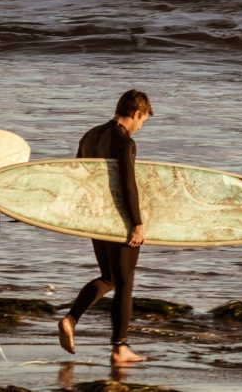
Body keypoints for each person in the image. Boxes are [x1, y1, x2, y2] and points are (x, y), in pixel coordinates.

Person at [58, 89, 152, 365]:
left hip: (96, 219)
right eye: (143, 121)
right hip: (119, 220)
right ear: (136, 114)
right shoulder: (124, 142)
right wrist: (137, 224)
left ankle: (71, 318)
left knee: (109, 277)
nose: (140, 127)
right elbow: (128, 185)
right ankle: (119, 348)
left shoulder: (90, 136)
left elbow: (78, 176)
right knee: (124, 283)